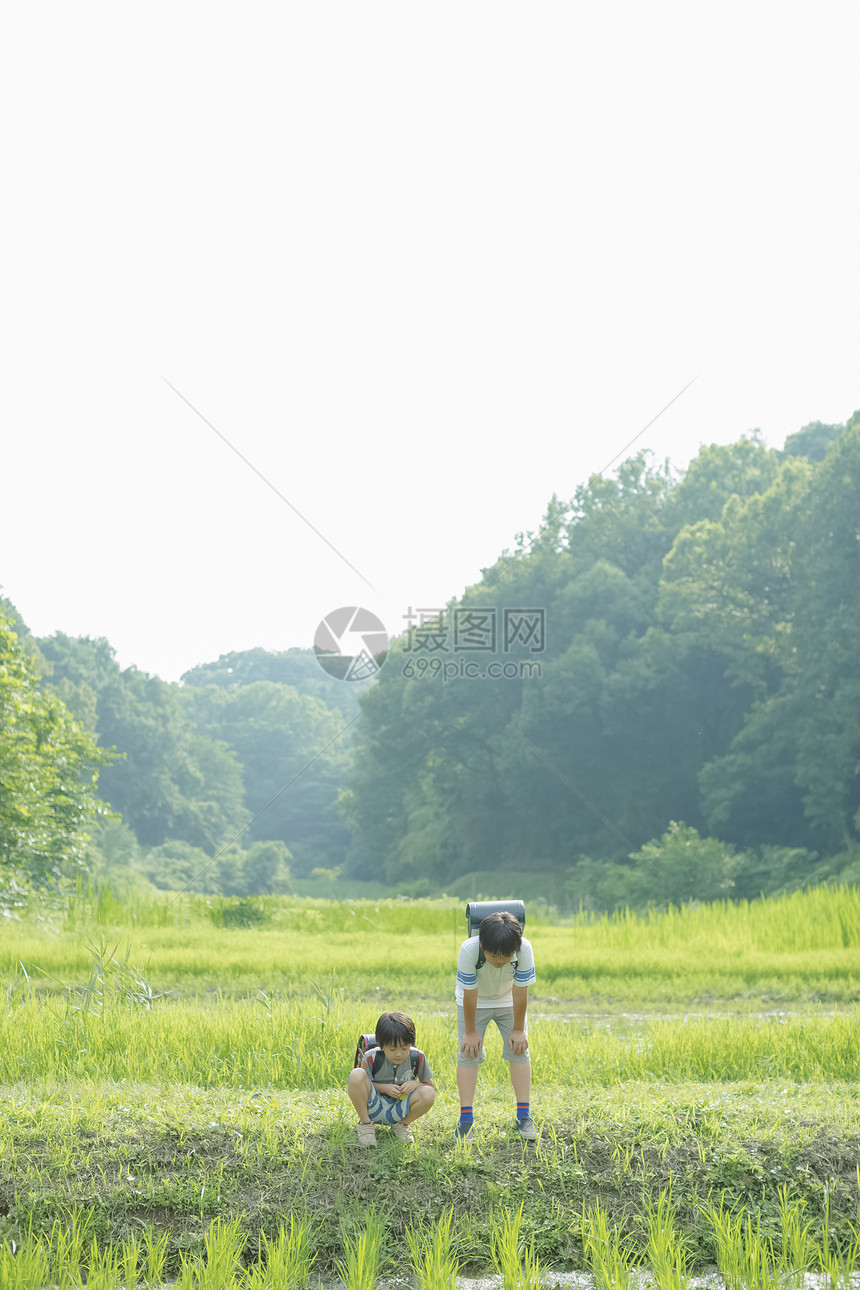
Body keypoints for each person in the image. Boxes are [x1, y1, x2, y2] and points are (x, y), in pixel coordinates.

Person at [456, 910, 536, 1140]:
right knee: (468, 1053)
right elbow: (470, 992)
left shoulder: (525, 949)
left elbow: (521, 991)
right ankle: (466, 1119)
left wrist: (519, 1030)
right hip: (474, 1001)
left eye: (506, 955)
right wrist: (470, 1032)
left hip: (509, 1000)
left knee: (519, 1050)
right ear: (482, 945)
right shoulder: (469, 950)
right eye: (493, 955)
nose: (500, 961)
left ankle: (524, 1116)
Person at [347, 1010, 435, 1146]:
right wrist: (384, 1088)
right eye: (392, 1049)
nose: (399, 1054)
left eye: (405, 1048)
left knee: (428, 1093)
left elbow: (429, 1087)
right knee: (356, 1074)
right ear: (381, 1045)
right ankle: (366, 1126)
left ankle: (402, 1125)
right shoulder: (372, 1057)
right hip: (374, 1106)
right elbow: (363, 1084)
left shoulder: (418, 1057)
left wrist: (415, 1084)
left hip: (400, 1108)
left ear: (411, 1044)